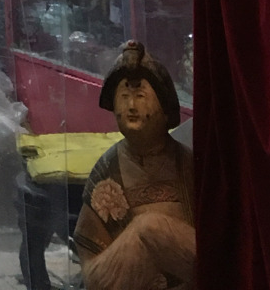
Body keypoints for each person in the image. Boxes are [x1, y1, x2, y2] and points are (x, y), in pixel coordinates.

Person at [74, 41, 194, 289]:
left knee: (149, 228)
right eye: (124, 97)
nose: (131, 106)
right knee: (146, 229)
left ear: (165, 110)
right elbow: (90, 251)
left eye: (140, 97)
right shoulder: (108, 169)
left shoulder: (187, 164)